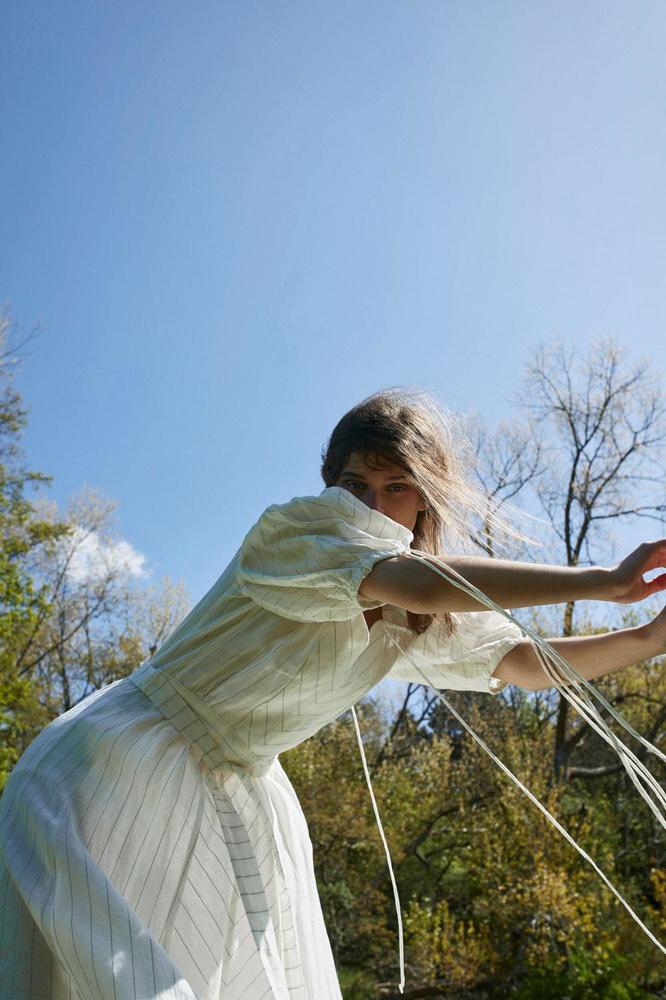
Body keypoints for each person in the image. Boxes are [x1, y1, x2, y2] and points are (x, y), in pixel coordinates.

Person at [1, 388, 665, 1000]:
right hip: (118, 761)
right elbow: (416, 582)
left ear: (425, 499)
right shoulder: (300, 533)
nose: (371, 505)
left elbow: (526, 663)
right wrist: (602, 579)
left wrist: (650, 637)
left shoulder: (420, 607)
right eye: (355, 484)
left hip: (236, 789)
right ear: (331, 485)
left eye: (396, 486)